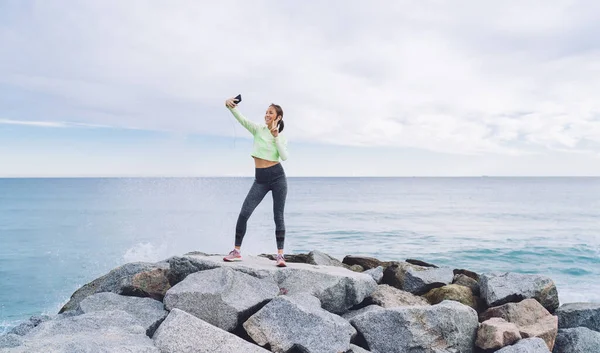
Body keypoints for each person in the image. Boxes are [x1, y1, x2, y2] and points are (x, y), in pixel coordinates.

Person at [222, 96, 289, 267]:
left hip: (277, 177)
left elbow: (284, 156)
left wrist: (275, 137)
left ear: (278, 117)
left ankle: (280, 255)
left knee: (278, 216)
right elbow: (242, 120)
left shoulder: (280, 136)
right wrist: (231, 107)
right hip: (260, 179)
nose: (267, 114)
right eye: (266, 112)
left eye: (271, 113)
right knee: (244, 213)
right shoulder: (258, 129)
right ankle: (236, 251)